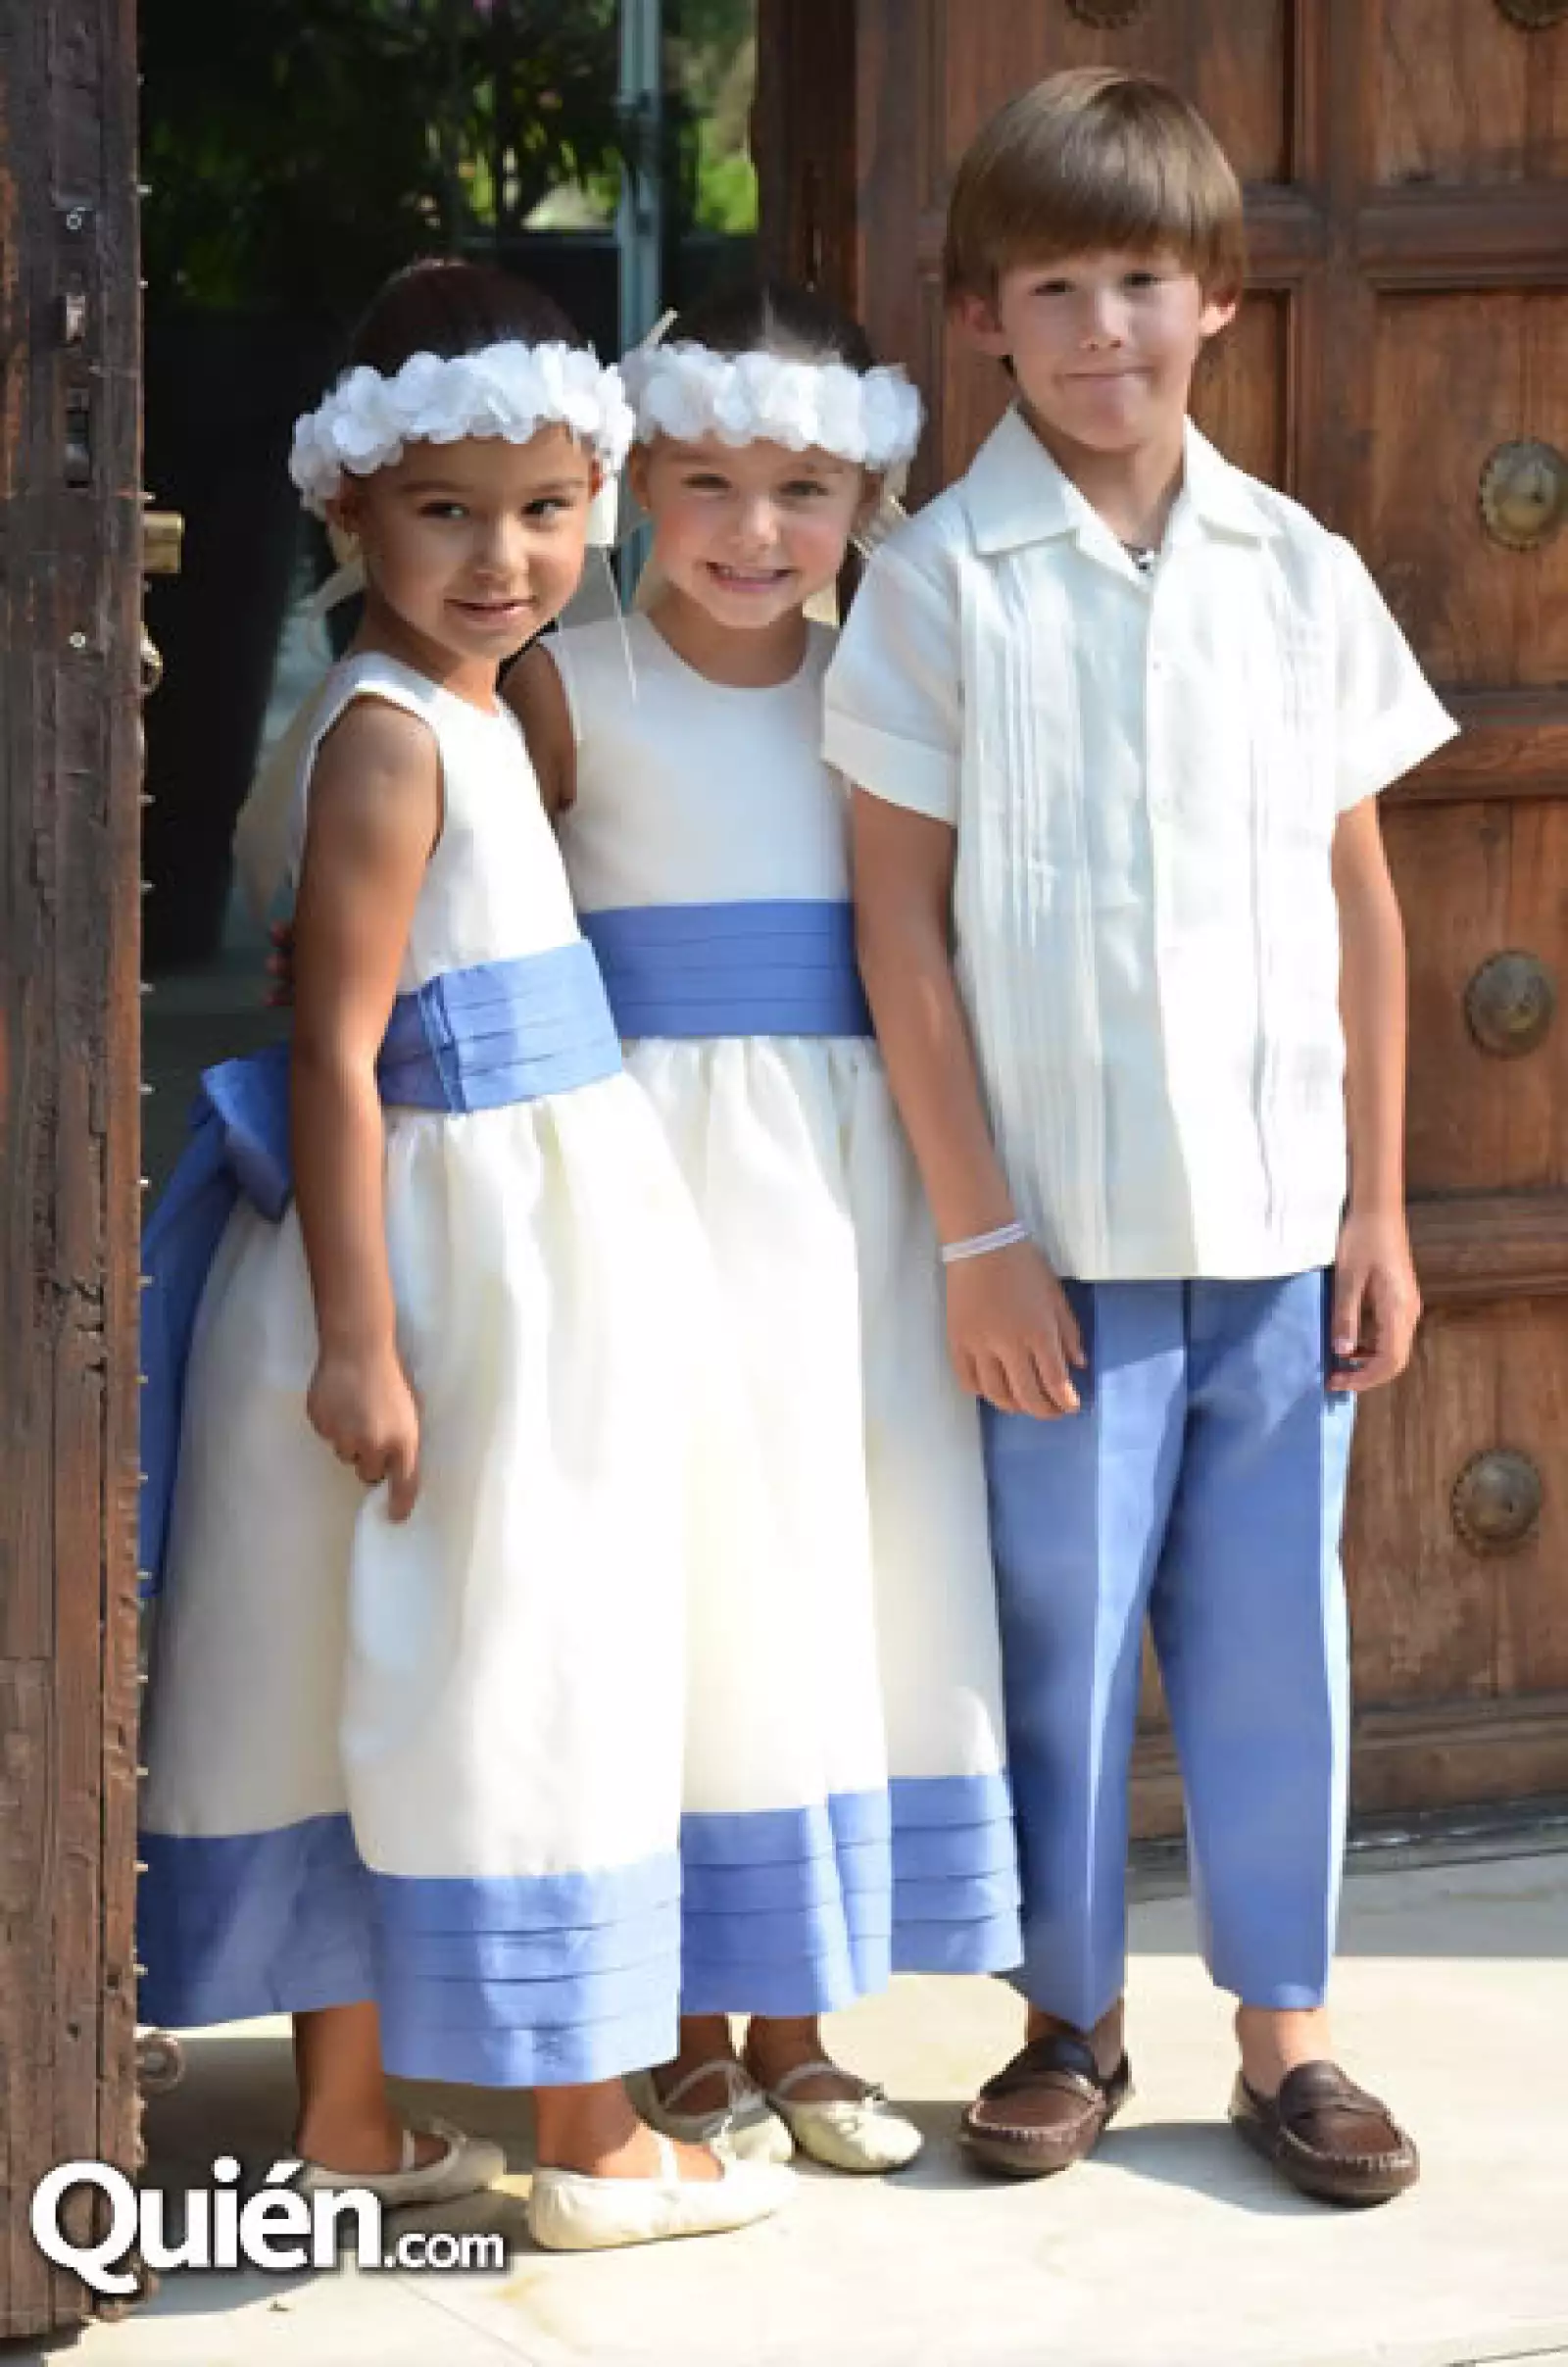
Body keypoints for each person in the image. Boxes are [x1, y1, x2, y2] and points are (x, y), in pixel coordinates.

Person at [824, 71, 1456, 2205]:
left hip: (1280, 1229)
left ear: (1216, 300)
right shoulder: (933, 586)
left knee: (1276, 1633)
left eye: (1143, 281)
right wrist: (974, 1230)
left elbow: (1359, 900)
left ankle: (1285, 2035)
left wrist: (1373, 1201)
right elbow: (895, 931)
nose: (1104, 327)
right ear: (982, 317)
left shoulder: (1296, 573)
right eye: (1056, 286)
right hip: (1055, 1247)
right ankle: (1063, 2019)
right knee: (1061, 1635)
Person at [135, 258, 793, 2252]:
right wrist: (361, 1340)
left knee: (384, 1662)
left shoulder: (476, 711)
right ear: (348, 514)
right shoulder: (390, 737)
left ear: (592, 491)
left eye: (540, 505)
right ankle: (584, 2132)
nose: (501, 554)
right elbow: (333, 1052)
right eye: (443, 512)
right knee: (526, 1662)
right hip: (442, 1263)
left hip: (518, 1237)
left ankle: (351, 2123)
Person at [509, 280, 1021, 2175]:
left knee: (827, 1562)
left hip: (849, 1190)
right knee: (685, 1577)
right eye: (705, 482)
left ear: (865, 494)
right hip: (643, 1183)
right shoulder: (572, 681)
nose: (748, 532)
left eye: (799, 489)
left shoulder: (882, 687)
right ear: (636, 479)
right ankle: (680, 2022)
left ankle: (803, 2017)